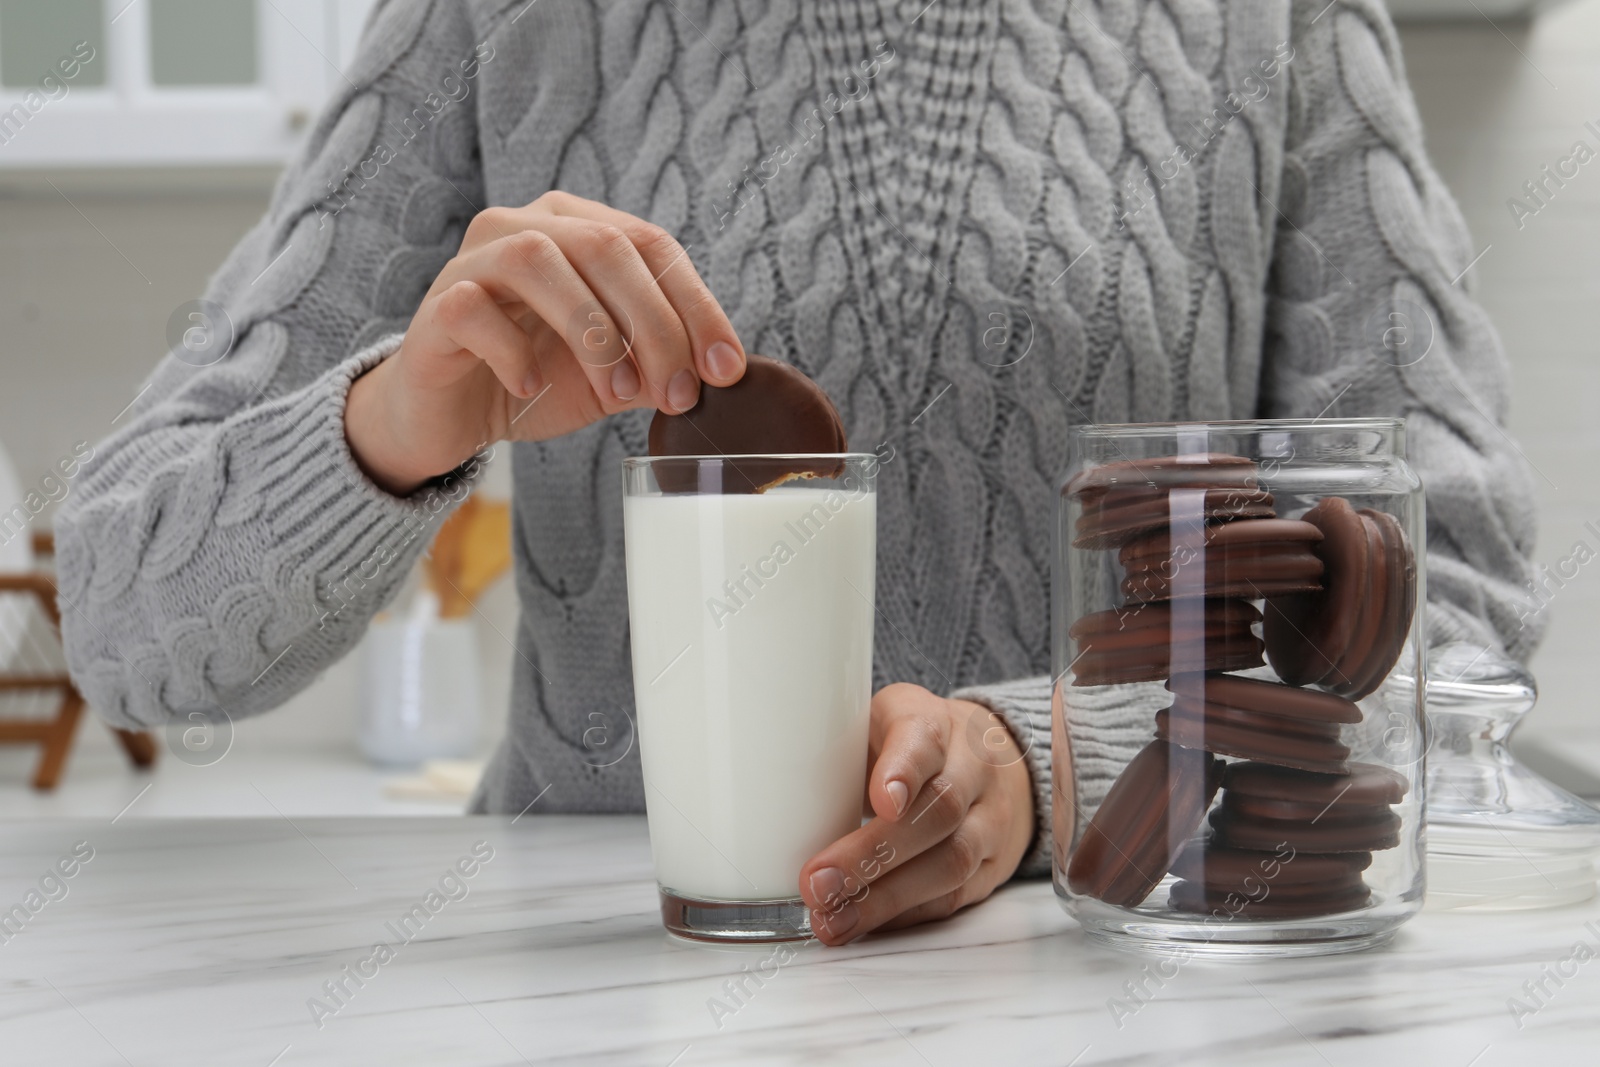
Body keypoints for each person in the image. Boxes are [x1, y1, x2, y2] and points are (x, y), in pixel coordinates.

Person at [57, 0, 1539, 945]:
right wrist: (396, 417)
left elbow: (1450, 615)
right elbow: (120, 630)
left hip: (1120, 969)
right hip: (611, 981)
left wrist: (1046, 769)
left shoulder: (1277, 22)